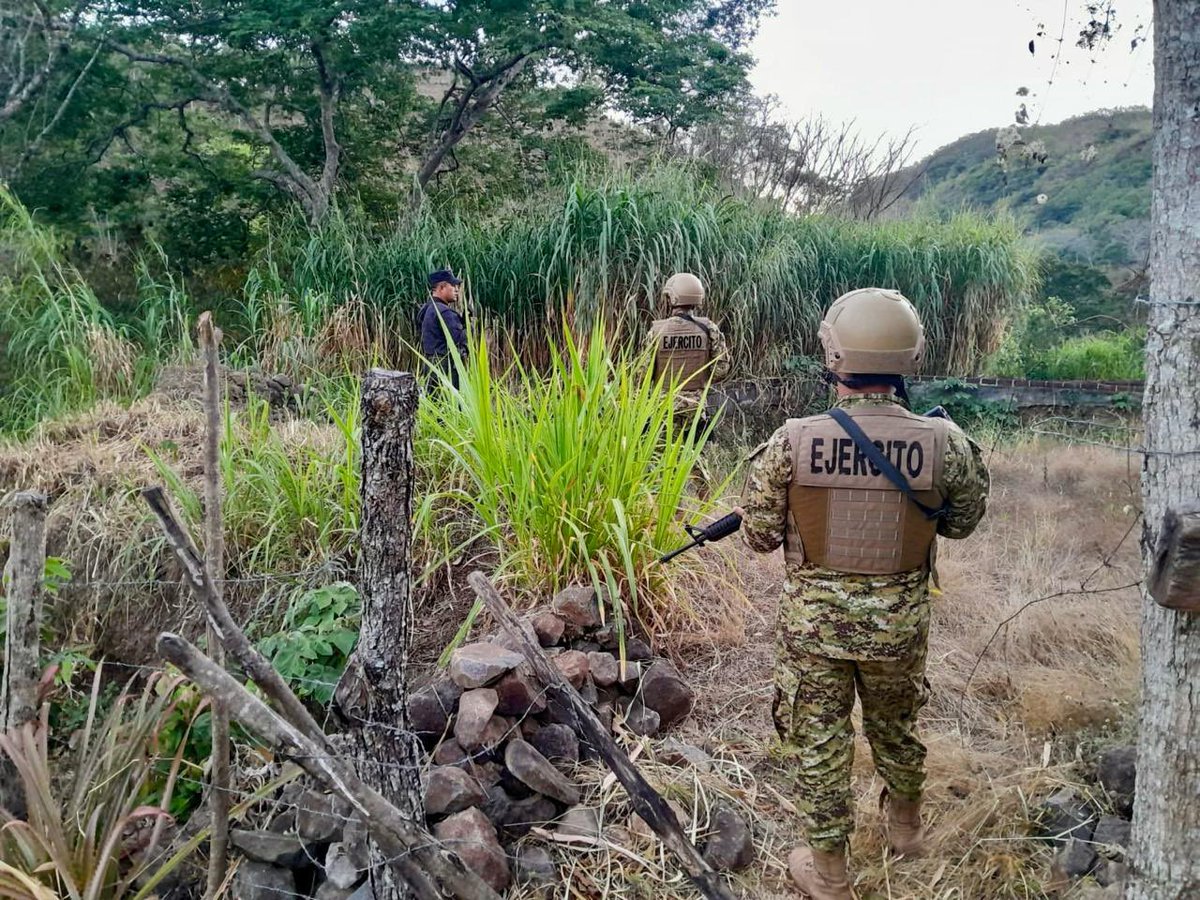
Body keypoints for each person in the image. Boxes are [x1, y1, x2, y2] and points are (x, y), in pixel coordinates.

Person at [739, 288, 990, 899]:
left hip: (814, 633)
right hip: (899, 627)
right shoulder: (945, 443)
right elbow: (960, 522)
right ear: (910, 356)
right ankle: (906, 832)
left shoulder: (793, 441)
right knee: (896, 724)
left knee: (818, 741)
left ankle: (829, 876)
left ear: (834, 354)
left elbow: (759, 539)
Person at [643, 272, 730, 437]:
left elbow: (642, 374)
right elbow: (722, 368)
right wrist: (701, 380)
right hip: (696, 407)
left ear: (673, 299)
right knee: (695, 456)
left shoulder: (656, 332)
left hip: (663, 407)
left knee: (661, 456)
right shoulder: (709, 328)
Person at [418, 268, 468, 388]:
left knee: (435, 402)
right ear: (441, 288)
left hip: (430, 365)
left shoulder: (426, 309)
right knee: (451, 405)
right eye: (453, 285)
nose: (456, 290)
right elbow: (459, 341)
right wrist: (467, 326)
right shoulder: (445, 312)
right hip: (447, 368)